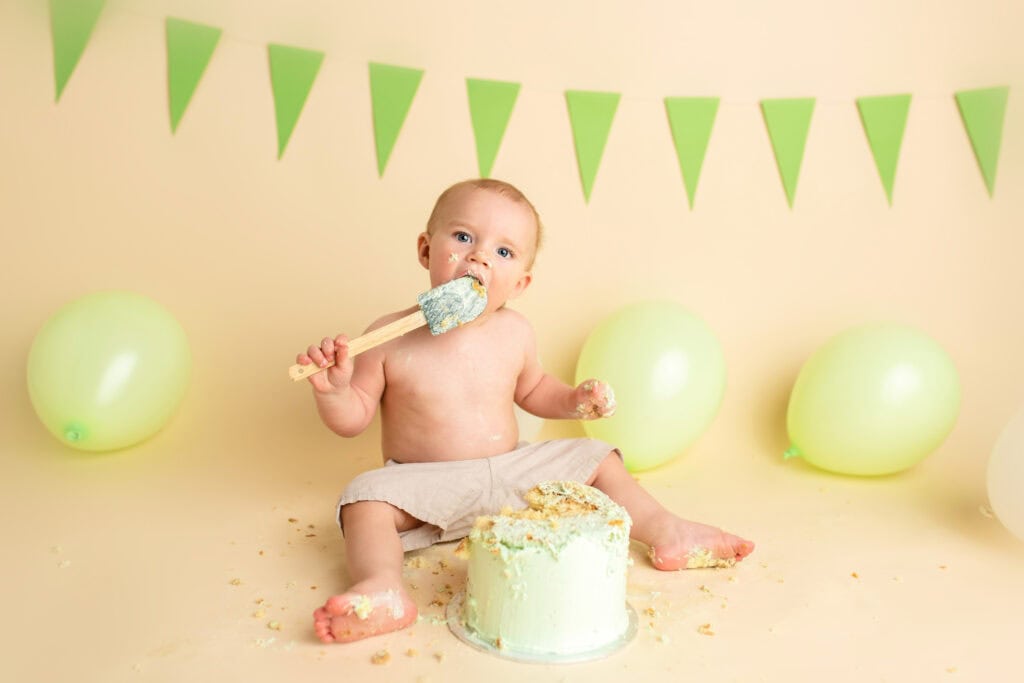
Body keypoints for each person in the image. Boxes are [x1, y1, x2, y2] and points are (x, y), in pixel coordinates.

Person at [296, 179, 754, 644]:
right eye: (463, 238)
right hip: (428, 483)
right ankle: (382, 587)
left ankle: (665, 529)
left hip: (513, 473)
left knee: (598, 455)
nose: (478, 257)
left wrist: (574, 400)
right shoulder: (388, 336)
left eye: (503, 252)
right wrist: (334, 392)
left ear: (521, 283)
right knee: (362, 497)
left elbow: (534, 389)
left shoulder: (514, 331)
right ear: (424, 249)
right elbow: (352, 419)